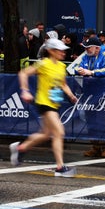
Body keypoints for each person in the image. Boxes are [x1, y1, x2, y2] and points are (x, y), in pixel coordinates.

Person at [9, 38, 78, 177]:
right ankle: (60, 168)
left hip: (54, 103)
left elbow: (63, 84)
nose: (63, 53)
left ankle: (20, 148)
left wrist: (71, 95)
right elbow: (23, 73)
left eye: (64, 50)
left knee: (46, 134)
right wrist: (25, 90)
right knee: (59, 131)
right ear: (51, 51)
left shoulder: (61, 66)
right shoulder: (43, 64)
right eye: (60, 50)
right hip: (44, 103)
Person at [75, 37, 105, 158]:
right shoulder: (85, 56)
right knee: (90, 120)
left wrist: (91, 72)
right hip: (88, 93)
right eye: (85, 47)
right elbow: (78, 67)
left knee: (102, 120)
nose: (86, 49)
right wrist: (80, 71)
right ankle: (95, 147)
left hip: (104, 93)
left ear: (97, 48)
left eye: (88, 47)